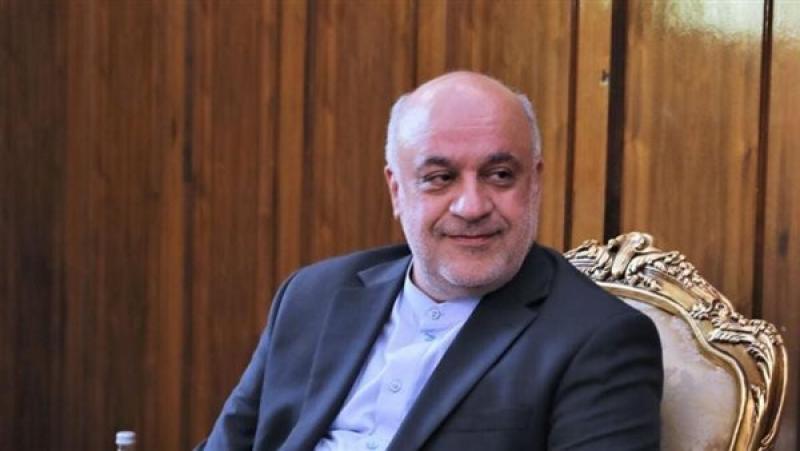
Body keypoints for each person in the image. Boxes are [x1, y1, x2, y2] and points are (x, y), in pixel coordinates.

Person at [197, 71, 662, 451]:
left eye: (500, 175)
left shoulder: (598, 339)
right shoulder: (311, 297)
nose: (472, 206)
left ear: (534, 183)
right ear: (396, 191)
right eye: (440, 178)